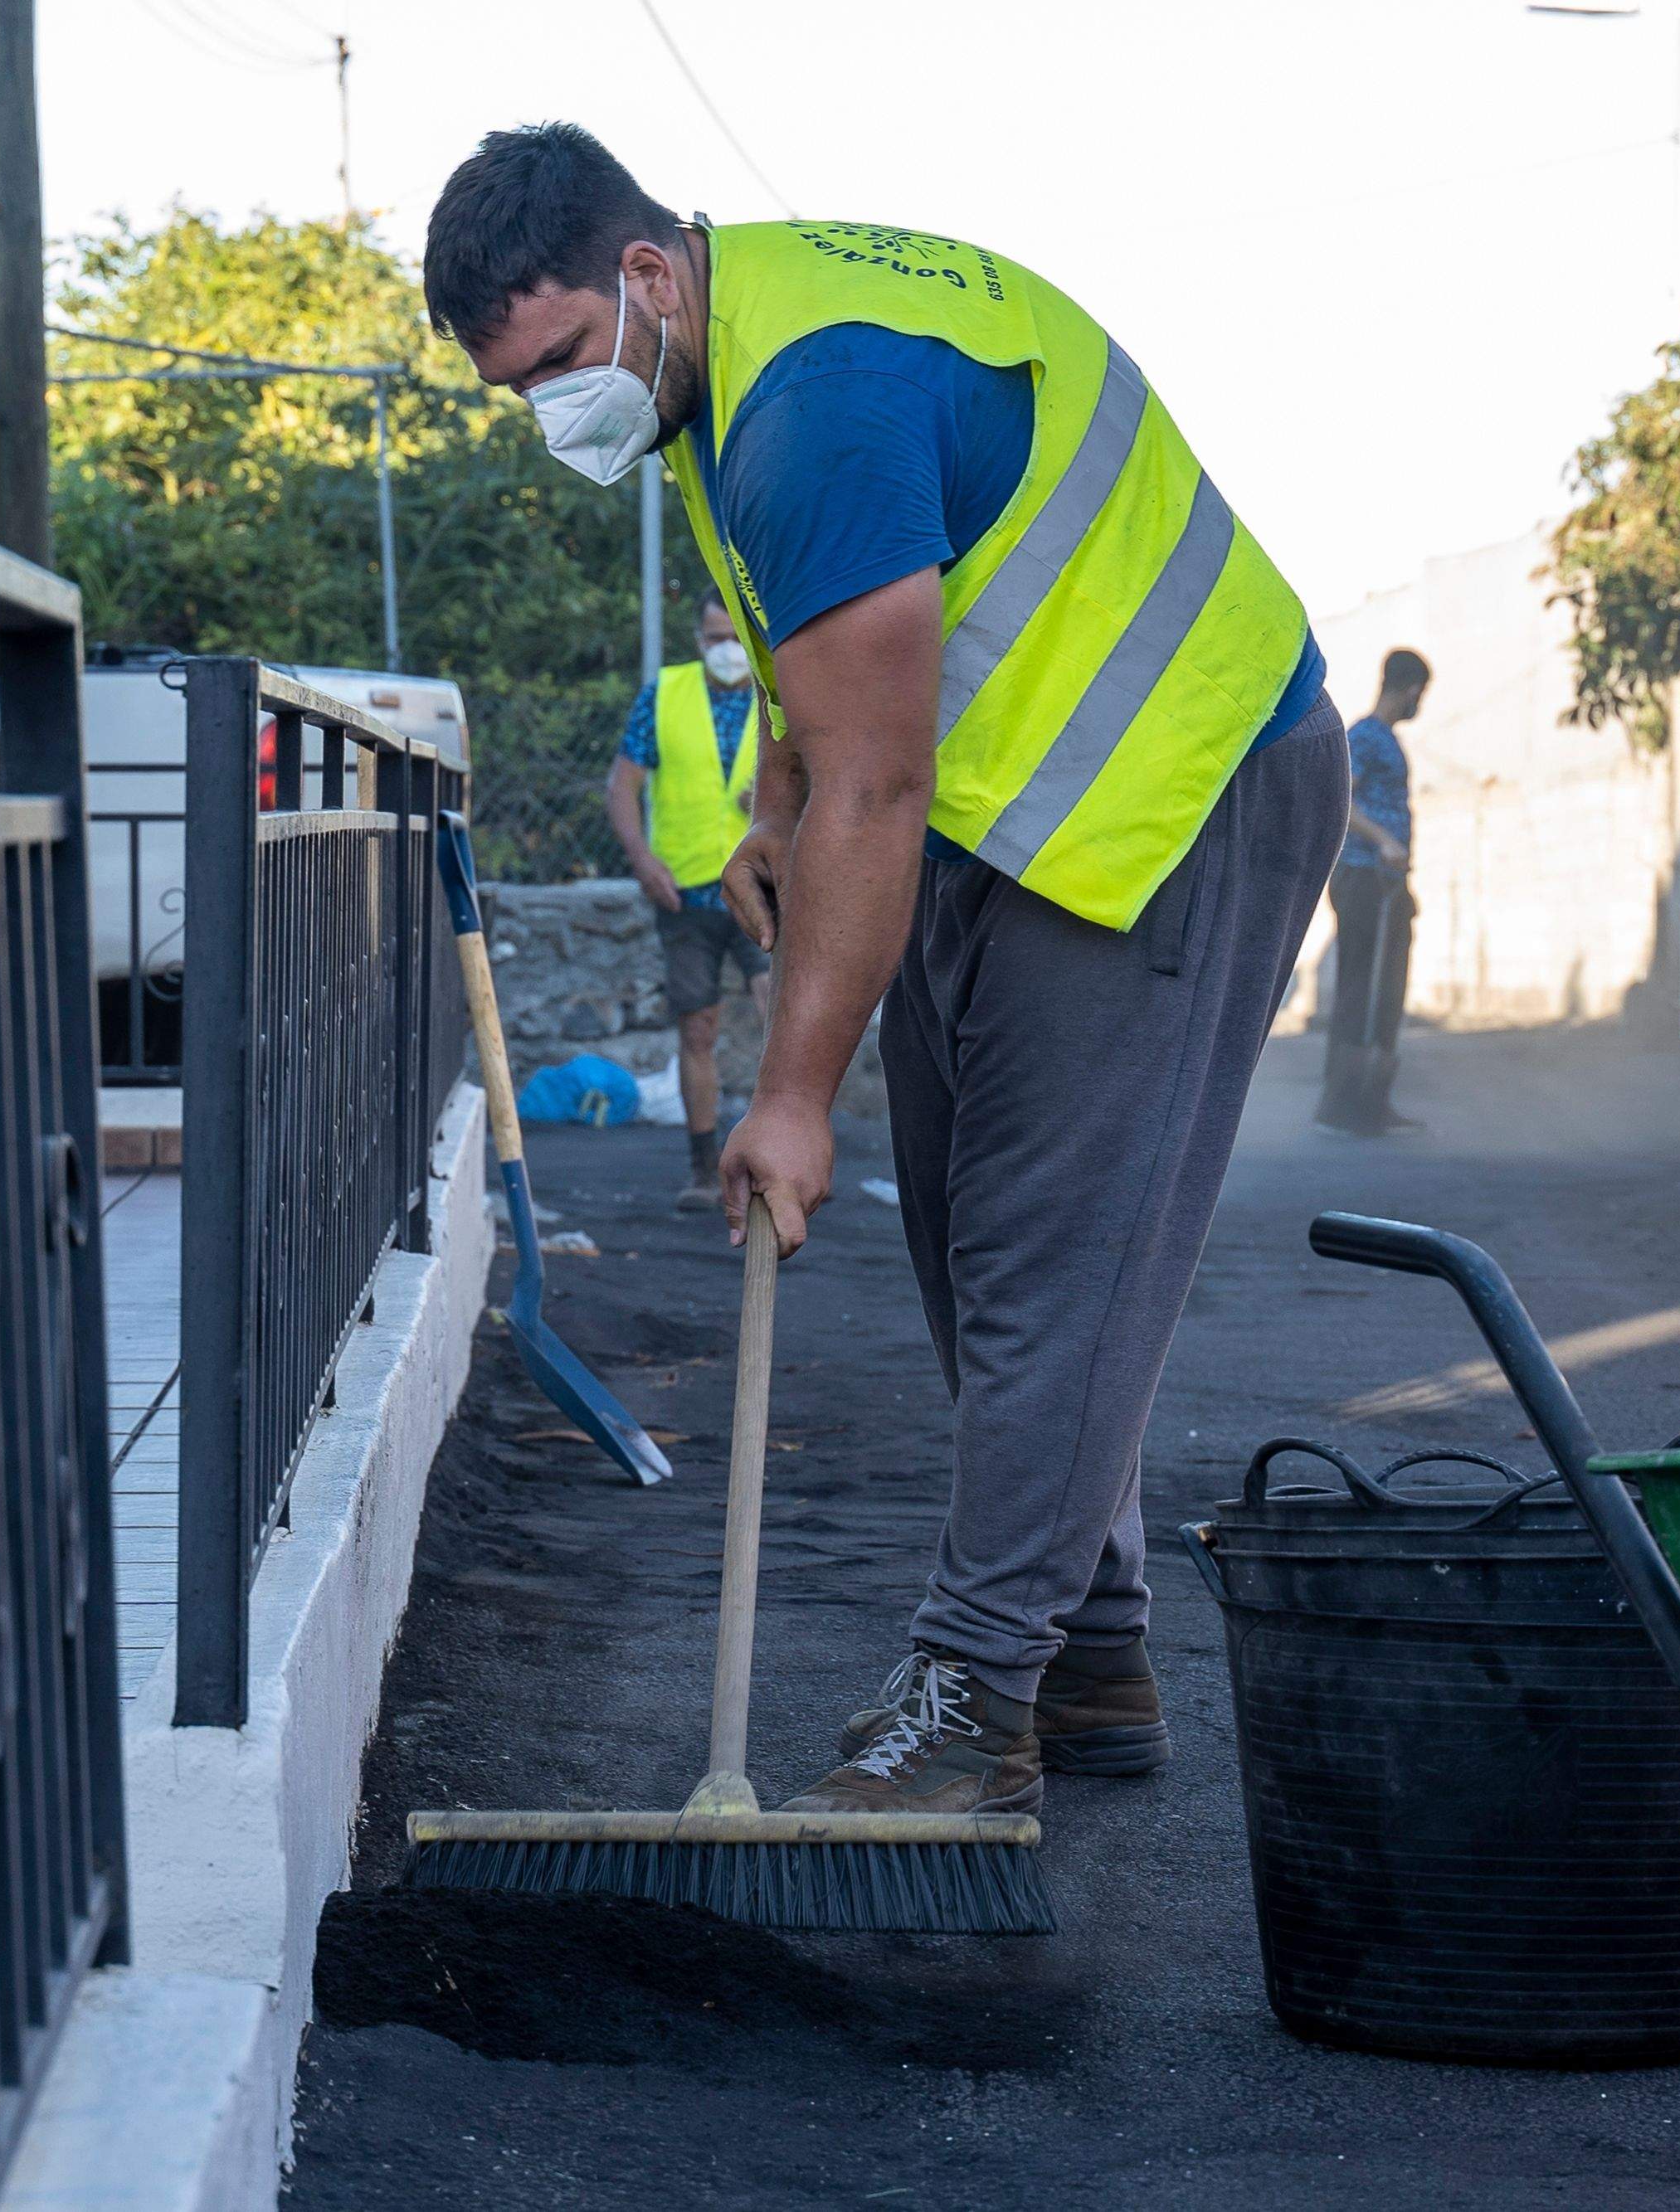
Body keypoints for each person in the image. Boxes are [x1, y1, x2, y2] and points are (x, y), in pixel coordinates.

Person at [426, 126, 1342, 1823]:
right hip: (1006, 811)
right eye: (516, 392)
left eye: (555, 363)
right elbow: (832, 695)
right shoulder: (726, 356)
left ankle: (976, 1691)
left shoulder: (814, 405)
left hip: (1173, 788)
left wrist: (789, 1095)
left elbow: (876, 780)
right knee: (976, 1249)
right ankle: (1087, 1650)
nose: (552, 413)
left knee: (1050, 1256)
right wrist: (772, 805)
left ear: (644, 273)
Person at [604, 591, 773, 1209]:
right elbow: (622, 785)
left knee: (779, 1013)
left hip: (765, 889)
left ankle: (780, 1152)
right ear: (699, 639)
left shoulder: (780, 689)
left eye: (735, 636)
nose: (726, 649)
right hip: (687, 893)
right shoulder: (665, 694)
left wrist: (778, 796)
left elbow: (824, 778)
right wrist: (642, 860)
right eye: (714, 637)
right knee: (697, 1027)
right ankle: (704, 1168)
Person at [1317, 648, 1431, 1135]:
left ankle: (1373, 1102)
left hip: (1386, 884)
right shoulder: (1364, 736)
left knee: (1385, 991)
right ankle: (1343, 1107)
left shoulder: (1383, 738)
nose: (1419, 703)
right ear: (1410, 689)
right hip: (1365, 879)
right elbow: (1341, 798)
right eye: (1420, 694)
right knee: (1362, 991)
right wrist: (1385, 840)